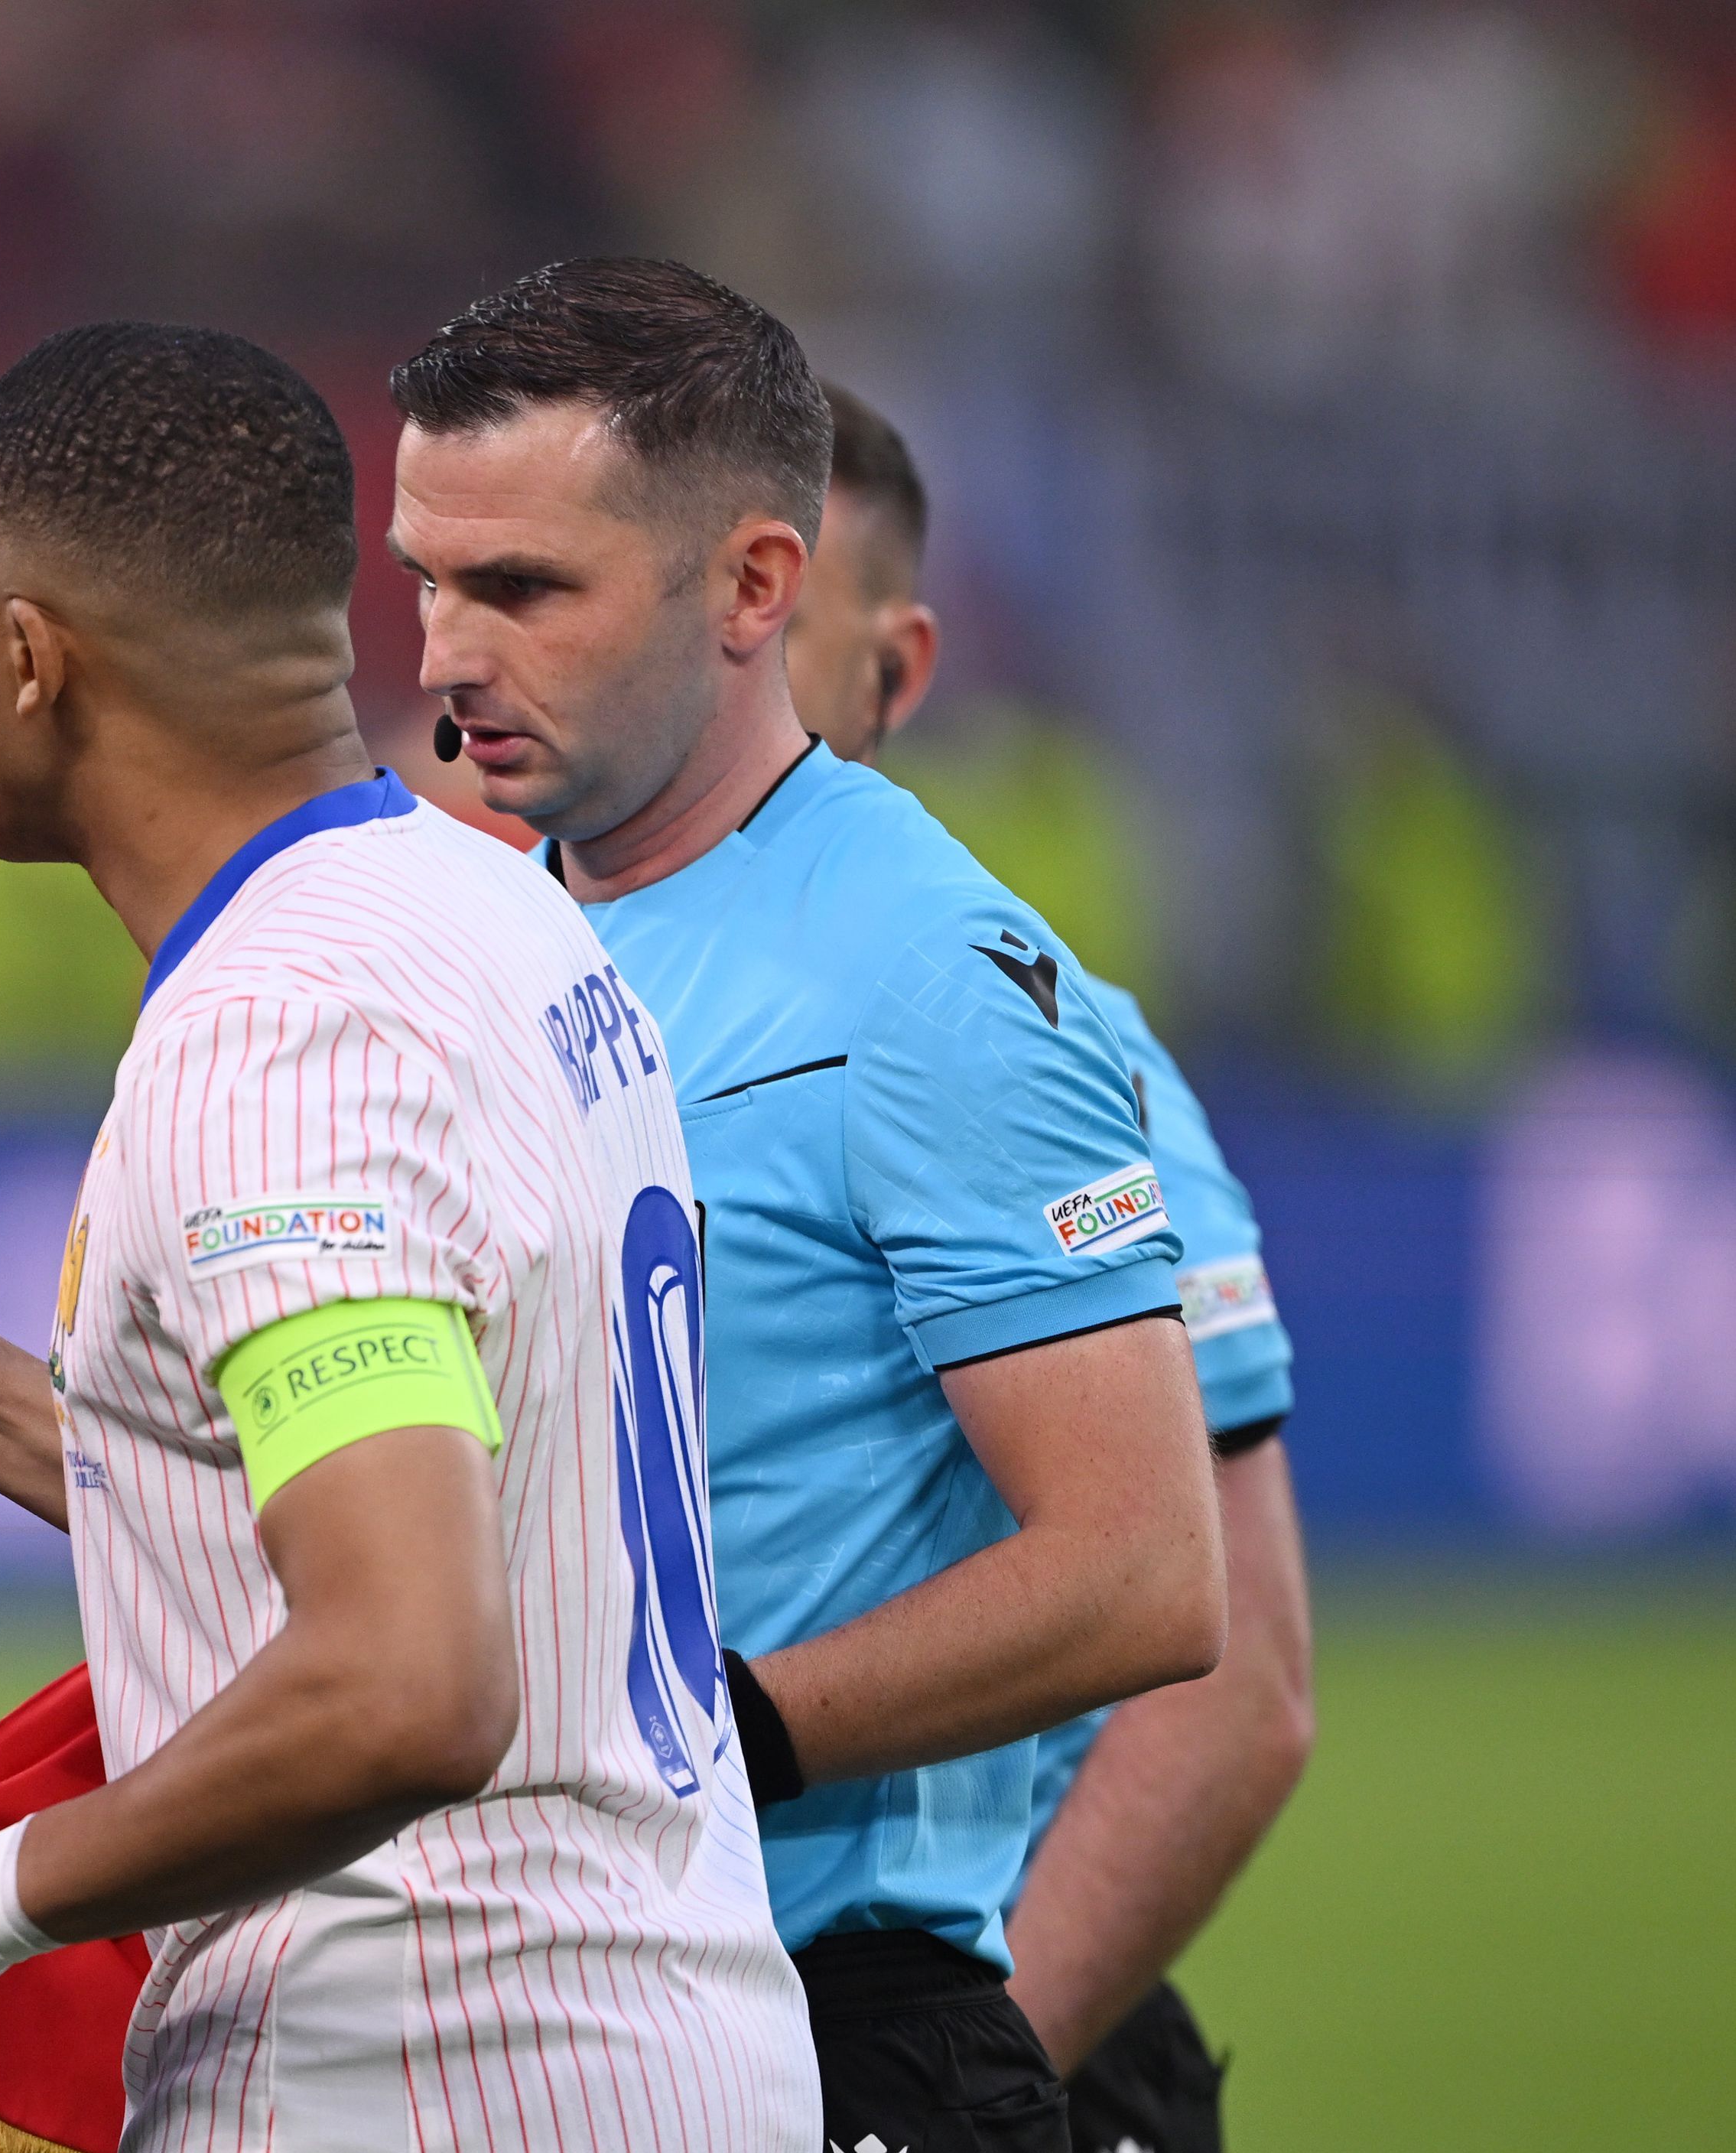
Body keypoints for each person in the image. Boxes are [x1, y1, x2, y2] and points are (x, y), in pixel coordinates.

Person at [0, 322, 818, 2150]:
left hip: (429, 2075)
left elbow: (410, 1674)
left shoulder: (277, 1040)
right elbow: (427, 1515)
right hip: (659, 2033)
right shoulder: (480, 905)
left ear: (31, 659)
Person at [387, 257, 1230, 2152]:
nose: (444, 652)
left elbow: (1144, 1567)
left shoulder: (923, 977)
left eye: (524, 588)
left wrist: (698, 1741)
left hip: (813, 2022)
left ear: (756, 587)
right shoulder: (478, 930)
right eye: (428, 579)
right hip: (513, 2016)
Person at [792, 382, 1315, 2153]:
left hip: (952, 2036)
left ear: (897, 665)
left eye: (779, 619)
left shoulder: (1018, 1037)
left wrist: (969, 2076)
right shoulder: (574, 1021)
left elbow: (1235, 1684)